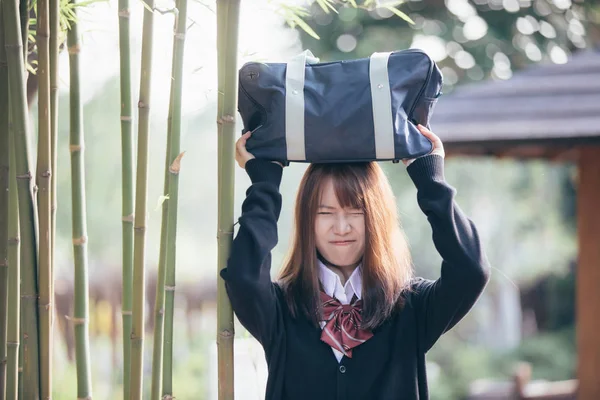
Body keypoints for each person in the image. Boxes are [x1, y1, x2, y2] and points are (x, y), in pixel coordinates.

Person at [219, 124, 491, 400]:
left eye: (355, 211)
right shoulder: (281, 309)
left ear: (376, 218)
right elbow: (244, 275)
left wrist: (429, 176)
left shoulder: (412, 307)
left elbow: (470, 270)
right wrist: (265, 180)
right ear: (306, 221)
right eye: (325, 213)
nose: (341, 227)